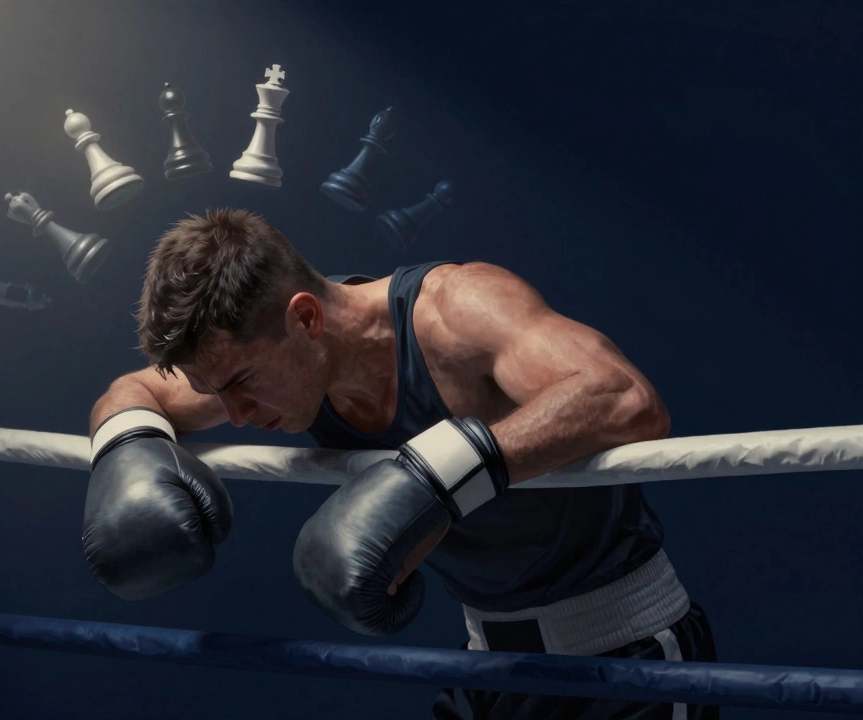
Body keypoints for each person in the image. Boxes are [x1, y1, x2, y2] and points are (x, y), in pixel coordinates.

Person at [82, 208, 718, 719]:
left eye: (242, 383)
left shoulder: (456, 312)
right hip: (487, 665)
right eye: (217, 392)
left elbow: (623, 397)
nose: (238, 414)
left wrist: (434, 472)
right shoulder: (264, 367)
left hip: (629, 658)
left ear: (303, 317)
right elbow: (130, 392)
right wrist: (126, 447)